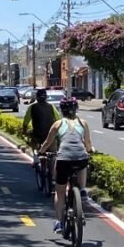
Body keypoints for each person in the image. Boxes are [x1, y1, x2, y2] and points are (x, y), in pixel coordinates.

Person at [38, 97, 94, 234]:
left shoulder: (58, 124)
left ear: (62, 110)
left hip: (63, 159)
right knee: (83, 162)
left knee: (60, 192)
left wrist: (41, 152)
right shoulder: (83, 123)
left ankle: (58, 222)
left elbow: (47, 142)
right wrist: (90, 150)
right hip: (80, 157)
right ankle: (82, 189)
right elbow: (87, 144)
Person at [22, 88, 60, 161]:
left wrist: (24, 131)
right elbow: (58, 119)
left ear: (37, 97)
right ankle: (52, 169)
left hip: (36, 134)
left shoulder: (32, 107)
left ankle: (35, 158)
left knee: (32, 142)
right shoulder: (51, 106)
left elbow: (26, 121)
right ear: (46, 97)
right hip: (50, 135)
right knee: (53, 153)